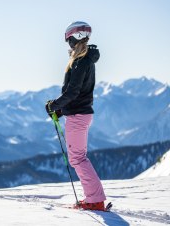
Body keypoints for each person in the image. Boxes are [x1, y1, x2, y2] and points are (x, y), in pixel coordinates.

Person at [45, 21, 107, 211]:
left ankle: (95, 200)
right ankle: (94, 198)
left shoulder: (81, 62)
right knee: (79, 158)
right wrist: (61, 109)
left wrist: (54, 105)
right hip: (79, 113)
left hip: (78, 116)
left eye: (69, 41)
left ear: (74, 39)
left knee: (78, 159)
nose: (69, 45)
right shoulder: (85, 60)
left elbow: (73, 92)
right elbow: (78, 94)